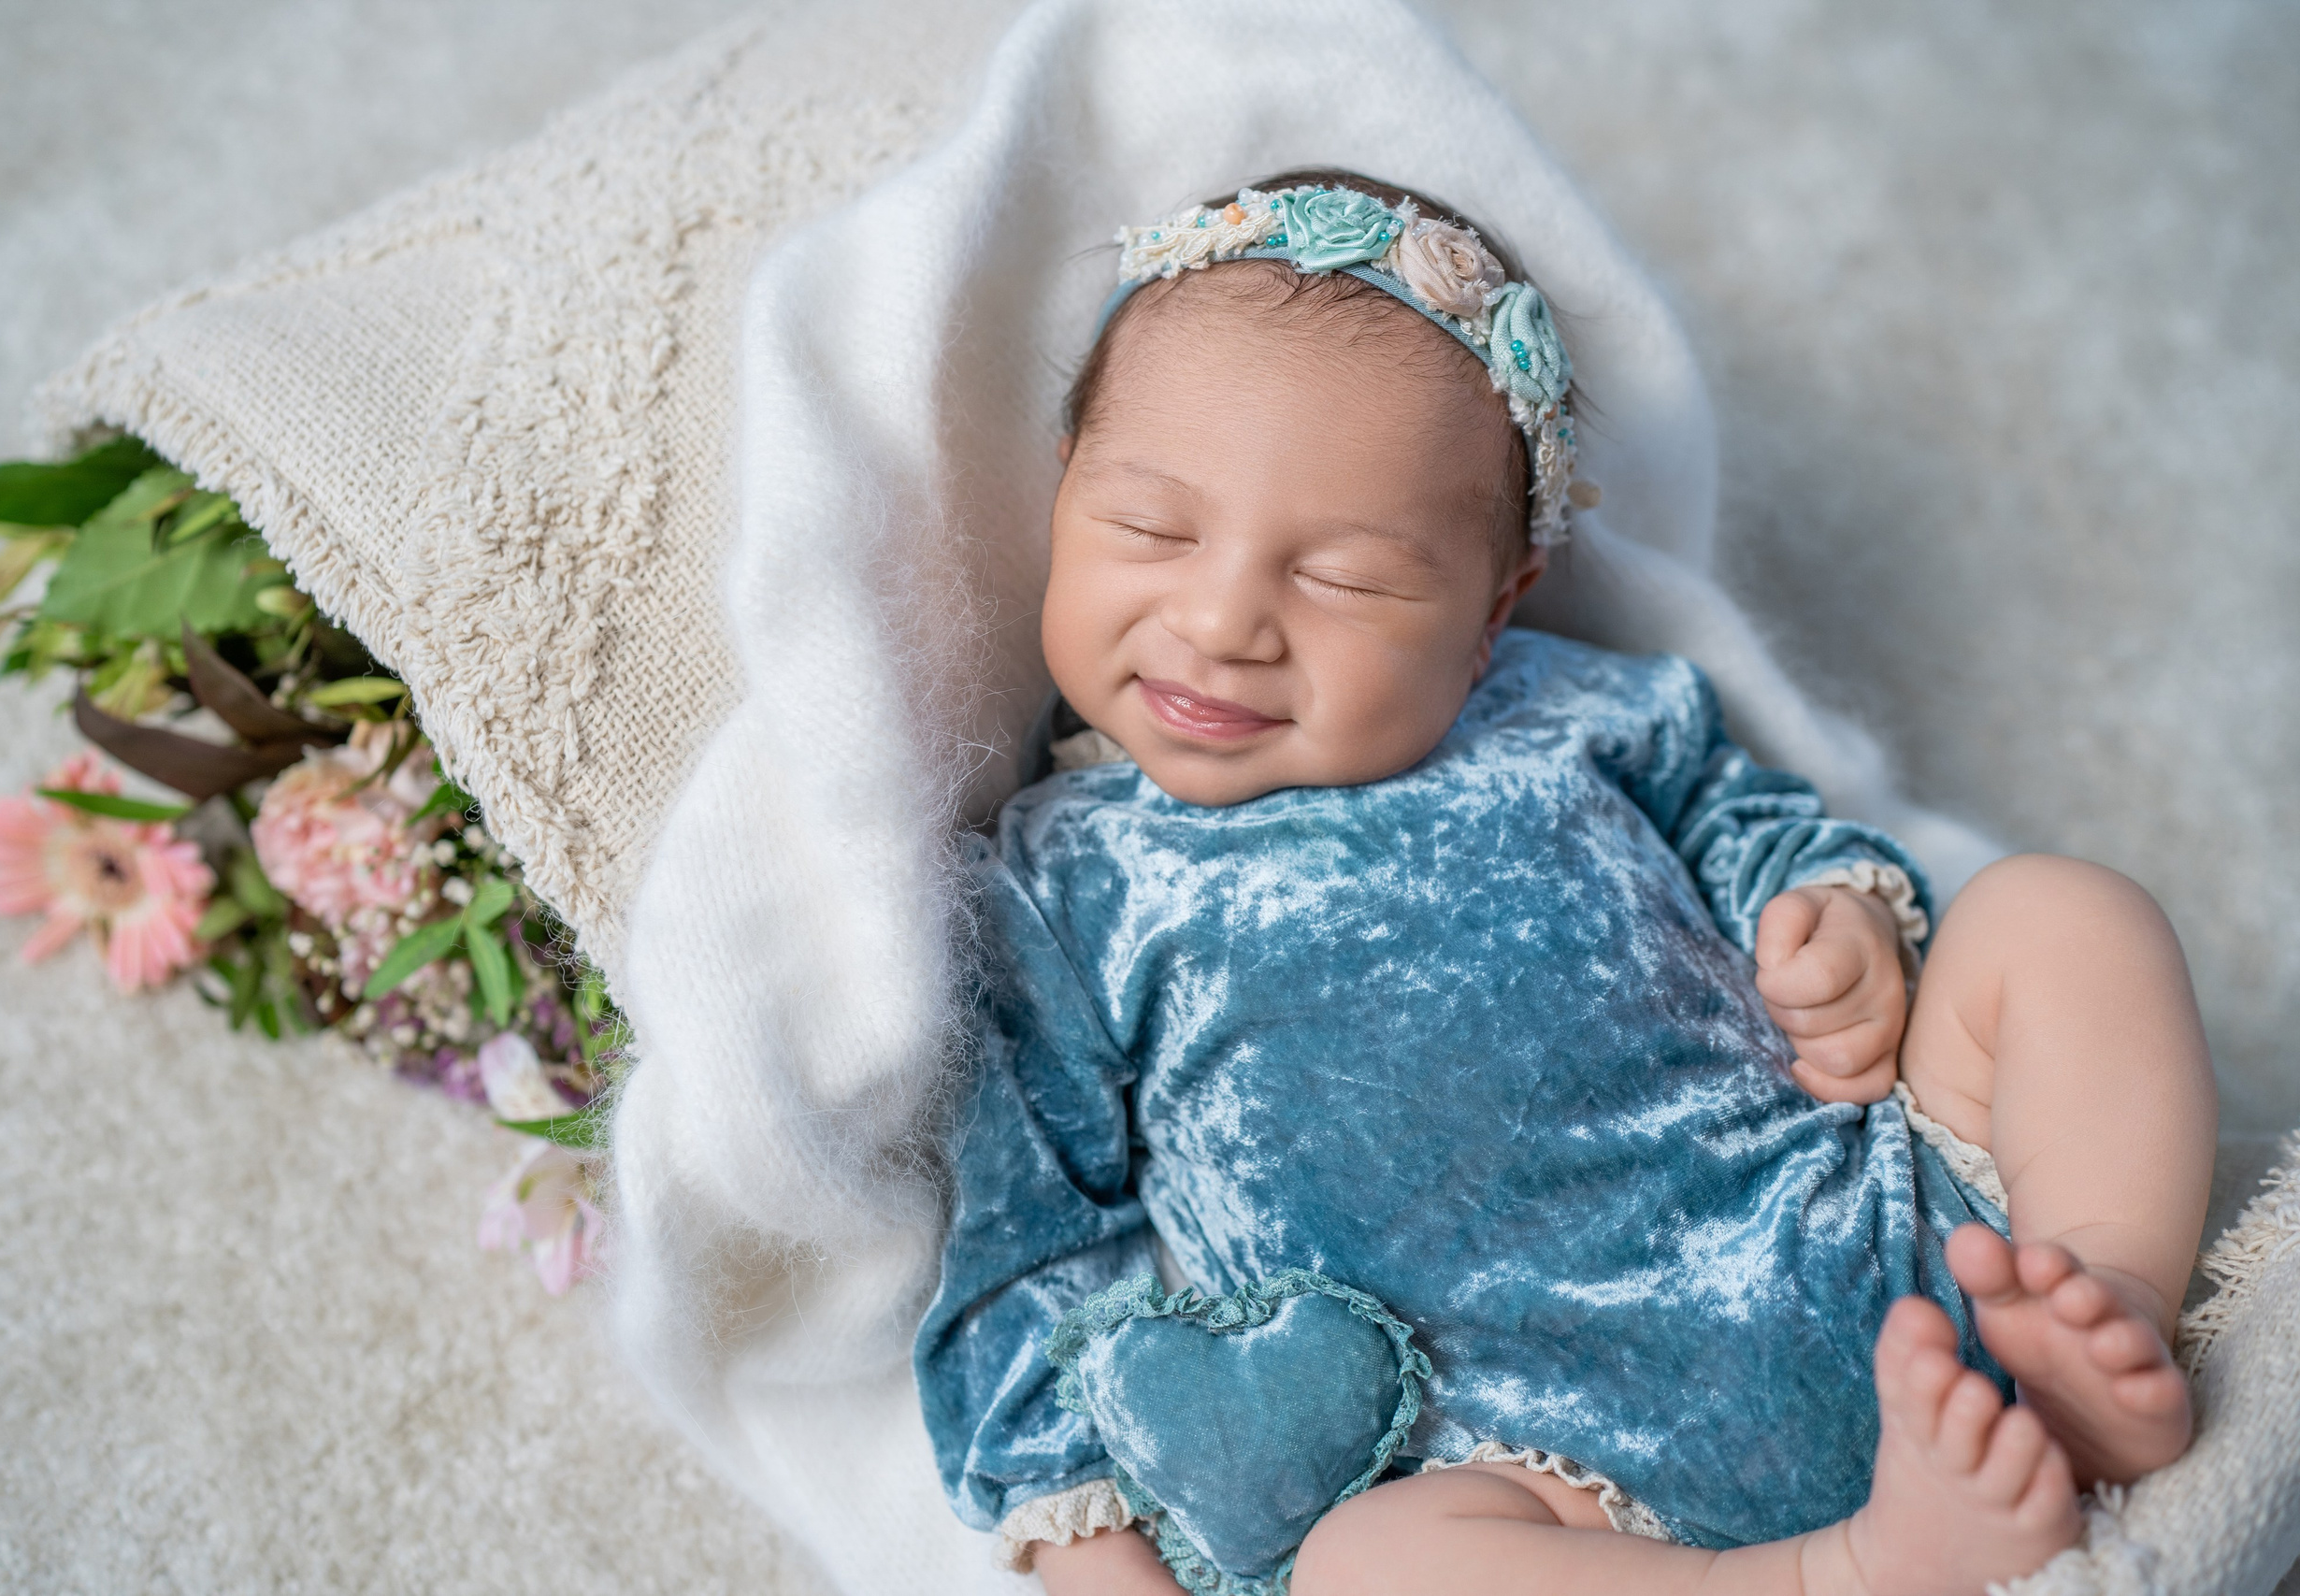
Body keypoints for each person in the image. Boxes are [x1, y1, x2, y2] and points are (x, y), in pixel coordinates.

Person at [912, 172, 2217, 1596]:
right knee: (1368, 1569)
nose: (1223, 621)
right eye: (1152, 533)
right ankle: (1838, 1569)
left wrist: (1838, 920)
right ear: (1061, 494)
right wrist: (1100, 1555)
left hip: (1875, 1237)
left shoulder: (1572, 712)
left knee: (2061, 917)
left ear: (1495, 611)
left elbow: (1753, 824)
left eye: (1345, 577)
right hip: (1536, 1463)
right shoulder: (1057, 879)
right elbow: (1025, 1259)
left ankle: (2097, 1310)